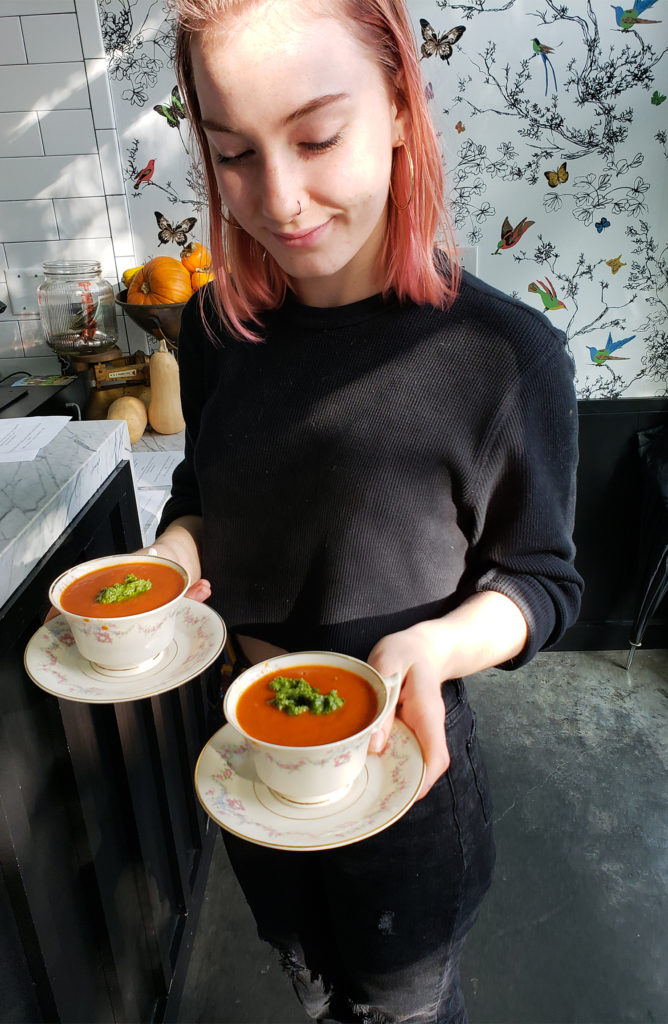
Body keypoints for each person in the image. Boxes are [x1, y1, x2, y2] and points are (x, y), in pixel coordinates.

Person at [150, 0, 584, 1019]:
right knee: (305, 979)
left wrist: (431, 648)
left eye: (314, 137)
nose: (279, 198)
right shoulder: (213, 329)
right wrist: (169, 558)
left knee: (401, 1004)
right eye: (233, 154)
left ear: (396, 103)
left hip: (407, 782)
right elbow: (202, 494)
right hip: (251, 760)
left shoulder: (504, 358)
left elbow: (543, 582)